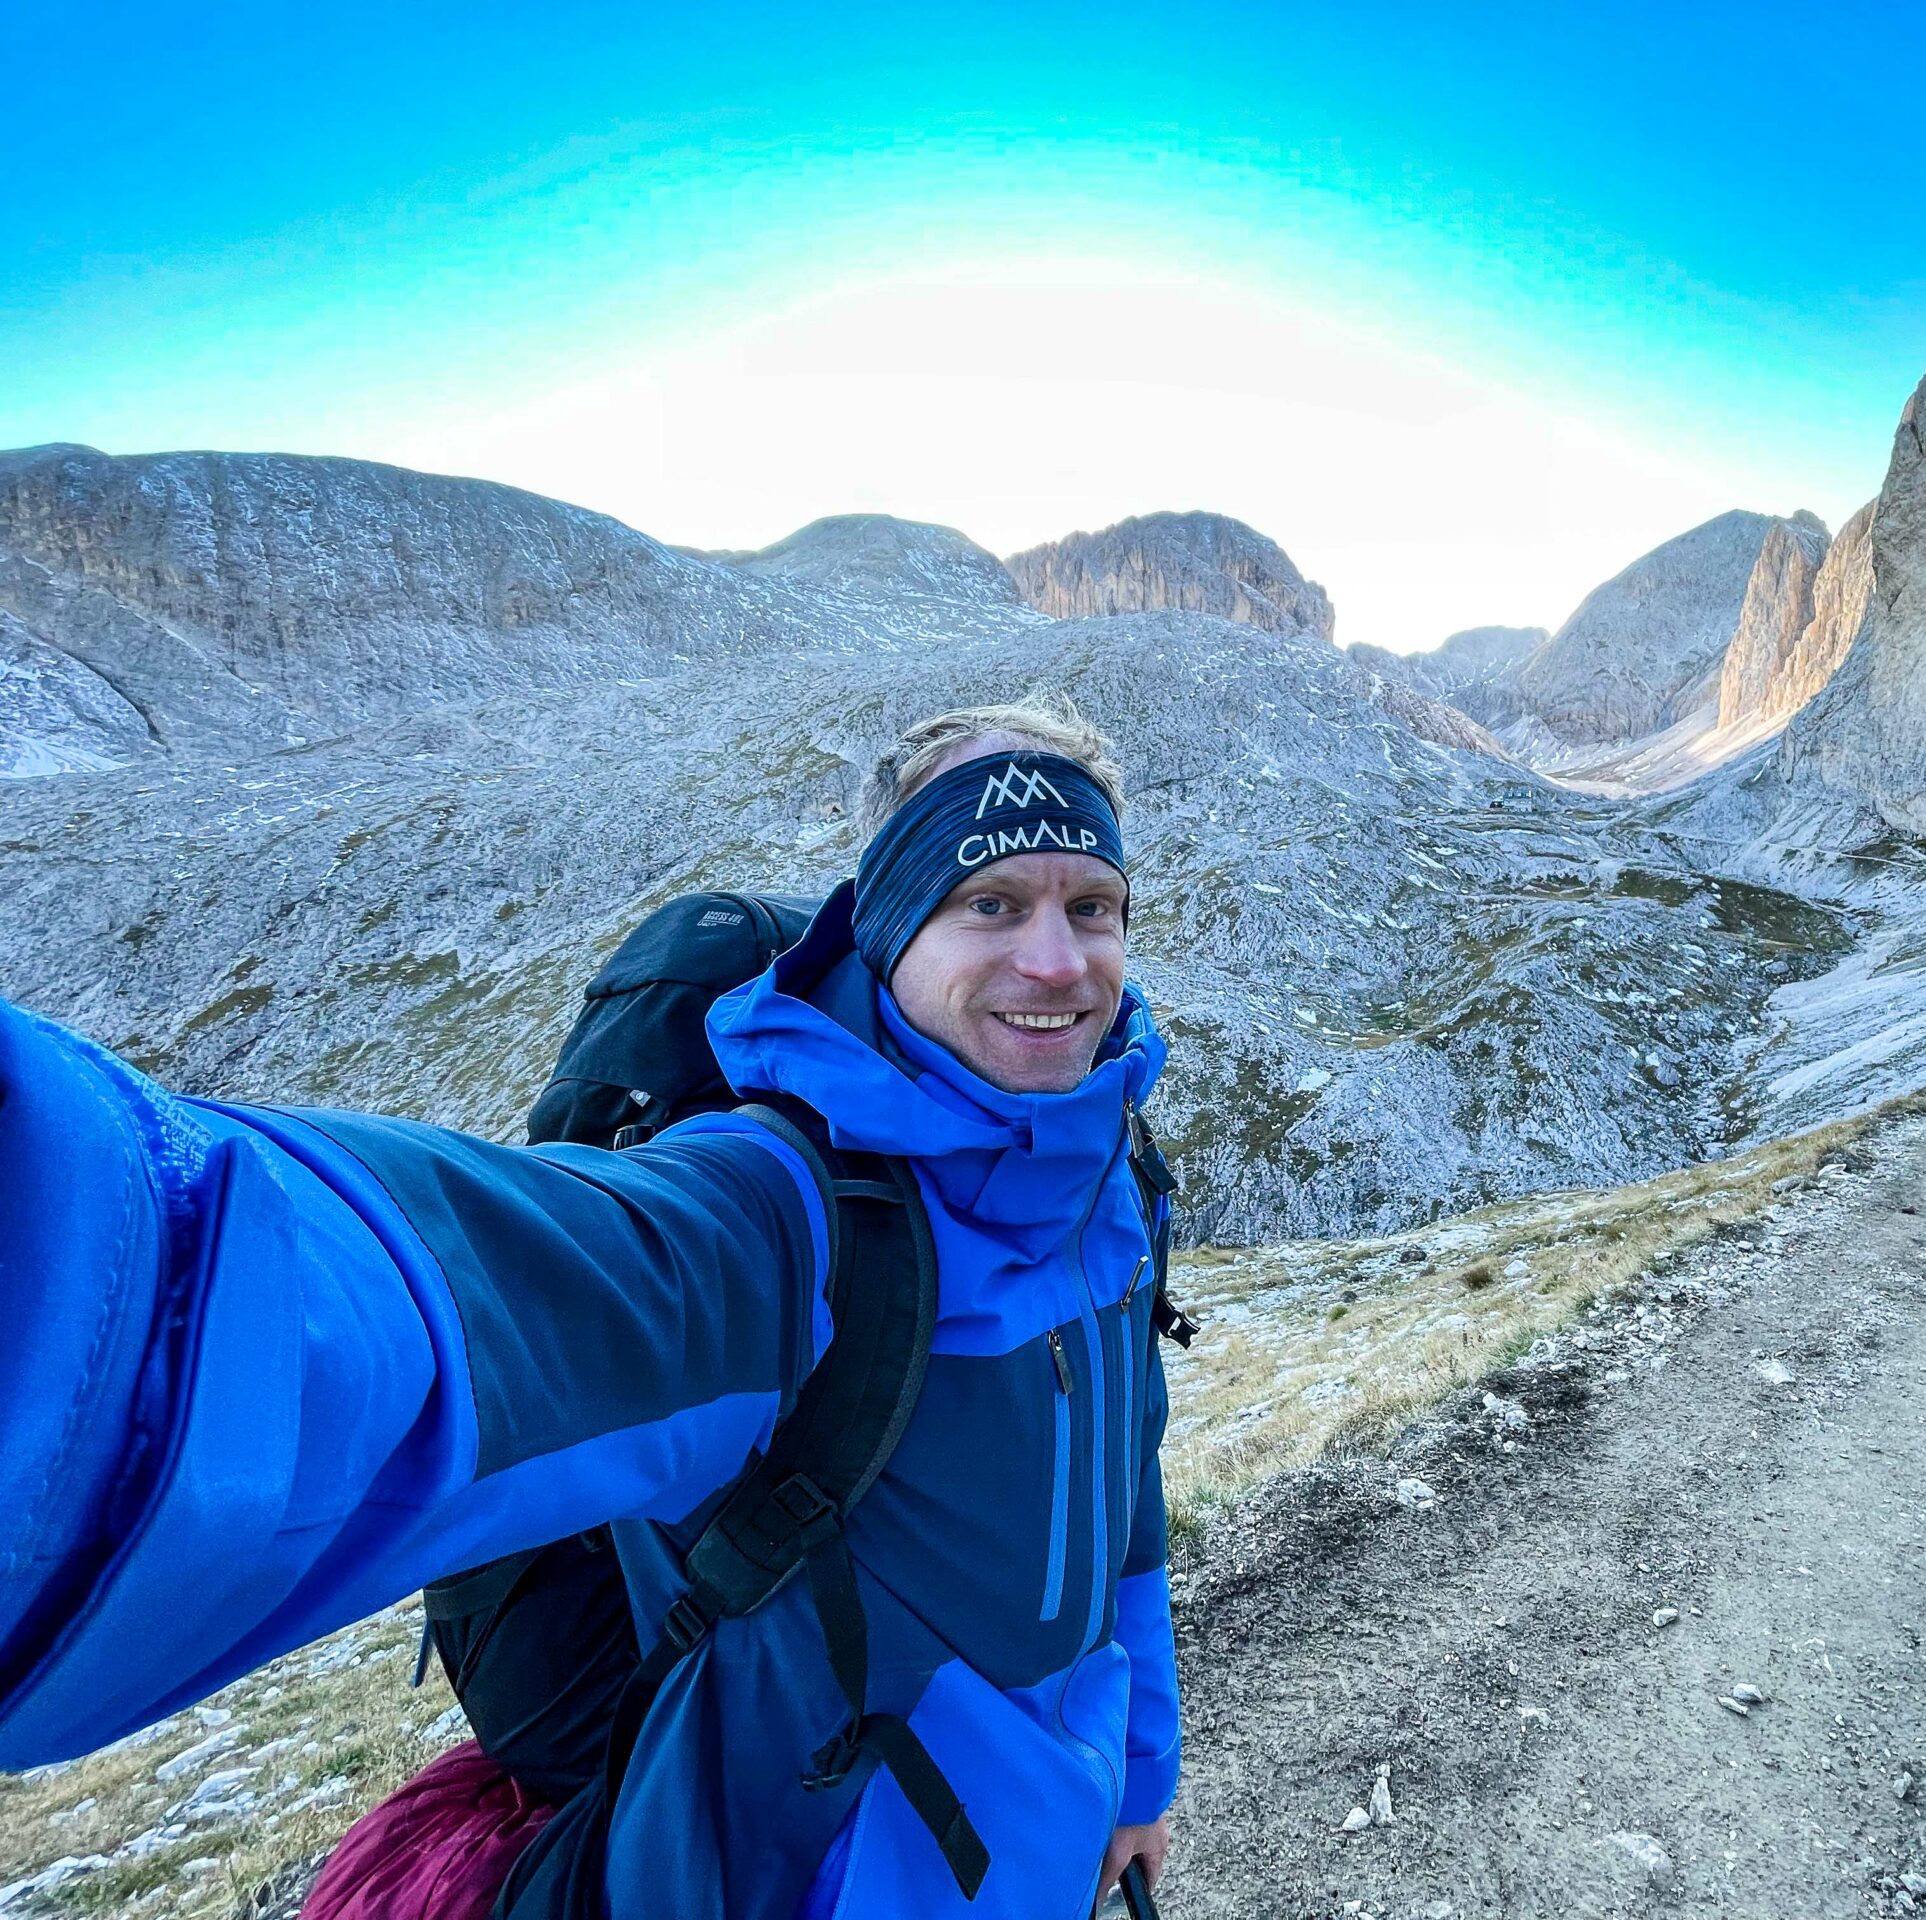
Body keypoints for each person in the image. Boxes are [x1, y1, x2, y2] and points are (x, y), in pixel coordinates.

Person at [0, 698, 1180, 1918]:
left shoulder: (1110, 1180)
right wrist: (81, 1269)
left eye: (1089, 907)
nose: (1055, 962)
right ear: (888, 929)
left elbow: (1123, 1511)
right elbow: (446, 1302)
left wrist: (1140, 1777)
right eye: (988, 903)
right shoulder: (783, 1223)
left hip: (1050, 1853)